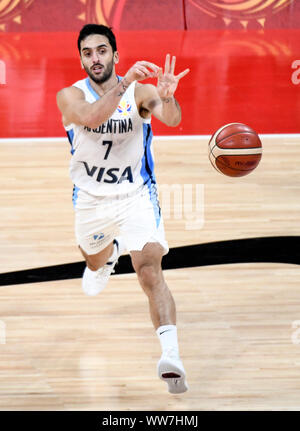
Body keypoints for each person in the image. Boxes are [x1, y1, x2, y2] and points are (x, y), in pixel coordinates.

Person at [56, 24, 190, 394]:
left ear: (115, 54)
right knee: (95, 261)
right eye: (87, 52)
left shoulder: (141, 91)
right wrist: (123, 83)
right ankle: (104, 258)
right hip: (91, 200)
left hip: (136, 196)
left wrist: (168, 96)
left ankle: (172, 357)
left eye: (102, 50)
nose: (95, 58)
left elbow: (174, 119)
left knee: (149, 270)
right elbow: (92, 118)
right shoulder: (69, 96)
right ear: (82, 59)